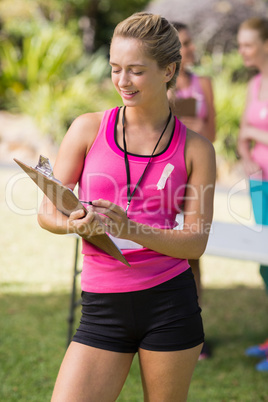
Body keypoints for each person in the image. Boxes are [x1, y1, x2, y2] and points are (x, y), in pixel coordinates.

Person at [38, 12, 216, 400]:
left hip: (171, 305)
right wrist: (76, 225)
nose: (122, 81)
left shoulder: (197, 149)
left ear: (168, 69)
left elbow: (195, 243)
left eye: (135, 70)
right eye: (116, 68)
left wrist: (130, 228)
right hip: (102, 308)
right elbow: (47, 210)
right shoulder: (87, 128)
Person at [169, 22, 216, 360]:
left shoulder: (204, 84)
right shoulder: (163, 88)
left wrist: (190, 131)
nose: (188, 49)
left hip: (197, 176)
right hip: (169, 177)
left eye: (189, 42)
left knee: (194, 253)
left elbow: (209, 128)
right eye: (181, 43)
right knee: (169, 252)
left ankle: (194, 331)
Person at [237, 17, 268, 373]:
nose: (241, 50)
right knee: (266, 264)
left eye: (247, 44)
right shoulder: (254, 84)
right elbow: (243, 135)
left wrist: (253, 133)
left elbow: (251, 129)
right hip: (259, 185)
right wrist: (247, 157)